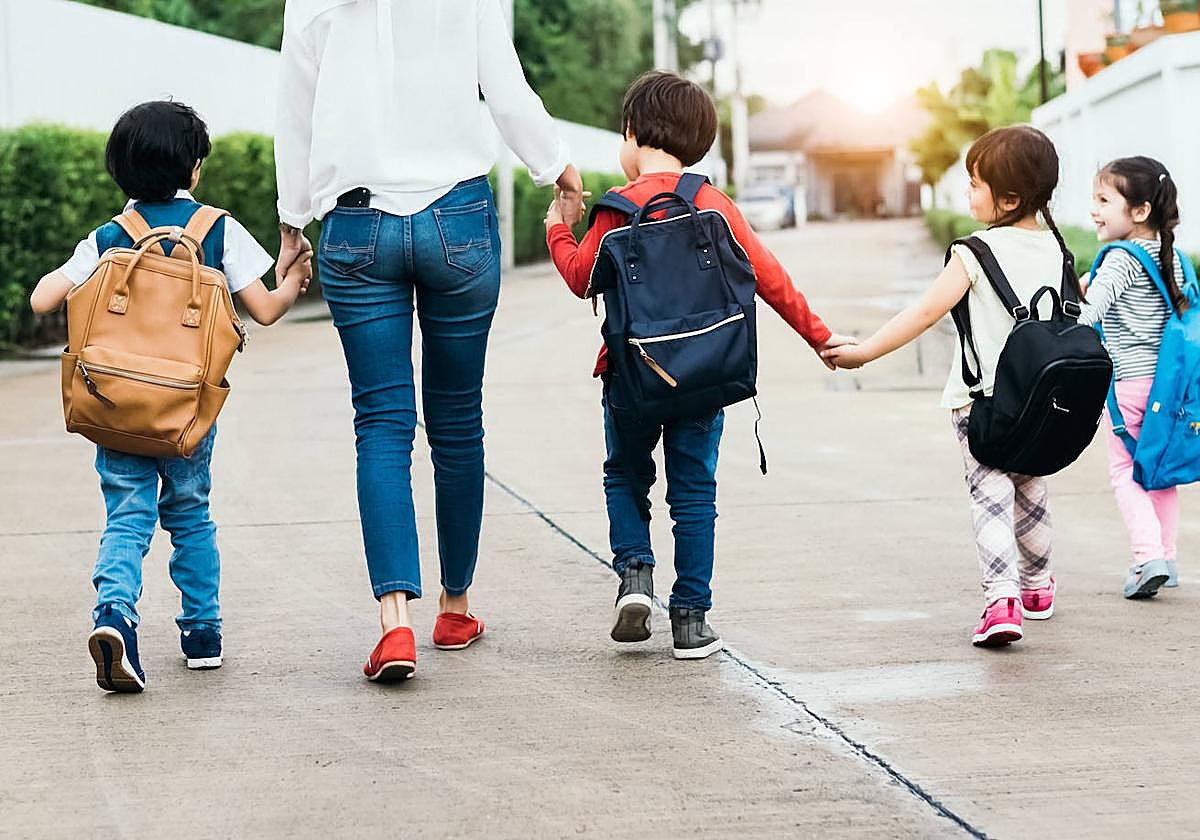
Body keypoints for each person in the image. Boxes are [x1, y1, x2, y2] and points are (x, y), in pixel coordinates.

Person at [274, 0, 584, 681]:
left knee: (382, 424)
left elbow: (295, 109)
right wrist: (556, 166)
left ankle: (394, 626)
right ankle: (456, 605)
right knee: (457, 421)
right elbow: (506, 86)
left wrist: (292, 224)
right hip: (458, 219)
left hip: (356, 226)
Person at [545, 71, 851, 660]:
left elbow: (581, 277)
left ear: (633, 134)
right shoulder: (713, 203)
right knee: (694, 493)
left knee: (625, 476)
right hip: (706, 377)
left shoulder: (615, 210)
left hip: (631, 378)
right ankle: (690, 621)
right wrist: (819, 337)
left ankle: (635, 576)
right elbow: (769, 277)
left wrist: (559, 225)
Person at [29, 100, 312, 692]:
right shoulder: (217, 228)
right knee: (190, 514)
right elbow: (262, 310)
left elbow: (41, 300)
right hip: (186, 411)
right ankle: (202, 634)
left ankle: (115, 619)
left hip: (115, 408)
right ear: (194, 169)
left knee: (126, 517)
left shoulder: (111, 236)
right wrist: (290, 279)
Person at [823, 126, 1076, 648]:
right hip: (1041, 402)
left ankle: (1001, 599)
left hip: (981, 403)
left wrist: (865, 351)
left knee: (989, 495)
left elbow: (924, 313)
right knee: (1030, 490)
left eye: (976, 184)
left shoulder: (974, 253)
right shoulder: (1058, 248)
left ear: (1008, 198)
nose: (967, 192)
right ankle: (1038, 589)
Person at [1080, 156, 1189, 600]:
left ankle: (1147, 559)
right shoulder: (1175, 259)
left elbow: (1090, 317)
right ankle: (1167, 556)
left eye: (1104, 200)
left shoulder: (1120, 260)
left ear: (1139, 211)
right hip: (1169, 387)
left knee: (1125, 471)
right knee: (1160, 474)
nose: (1094, 210)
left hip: (1128, 388)